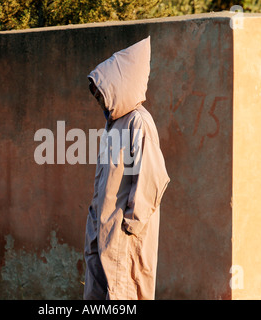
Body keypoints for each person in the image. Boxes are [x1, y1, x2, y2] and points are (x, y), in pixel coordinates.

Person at [83, 36, 170, 300]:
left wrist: (130, 225)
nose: (98, 97)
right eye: (96, 91)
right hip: (103, 232)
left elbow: (152, 179)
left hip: (124, 236)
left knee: (124, 295)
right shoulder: (113, 126)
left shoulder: (138, 123)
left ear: (119, 85)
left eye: (102, 90)